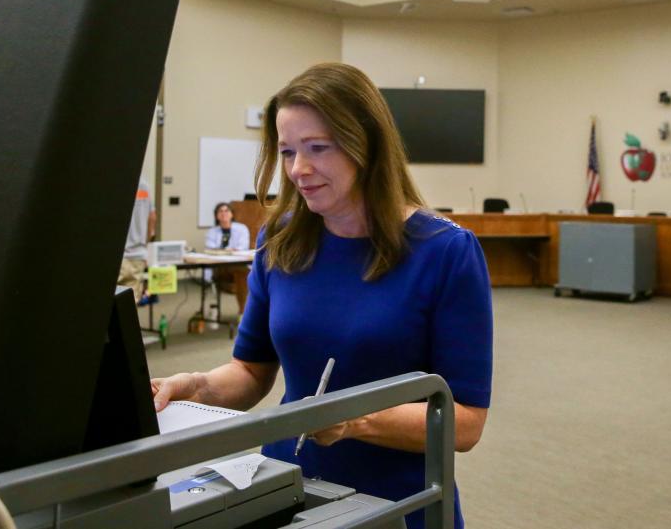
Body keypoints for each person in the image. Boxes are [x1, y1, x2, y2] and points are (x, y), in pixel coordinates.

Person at [151, 63, 492, 529]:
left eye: (317, 149)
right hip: (285, 487)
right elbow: (250, 370)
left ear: (365, 145)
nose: (297, 170)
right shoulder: (280, 238)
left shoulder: (445, 252)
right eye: (288, 151)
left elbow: (466, 422)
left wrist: (354, 421)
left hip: (395, 503)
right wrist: (195, 388)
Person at [204, 202, 251, 317]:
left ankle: (242, 311)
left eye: (226, 211)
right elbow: (210, 249)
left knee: (242, 272)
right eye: (220, 211)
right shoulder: (212, 232)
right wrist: (229, 250)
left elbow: (241, 248)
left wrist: (224, 250)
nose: (224, 213)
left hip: (237, 264)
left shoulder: (241, 229)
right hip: (218, 266)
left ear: (232, 214)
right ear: (216, 216)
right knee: (240, 272)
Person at [118, 176, 156, 303]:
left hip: (118, 255)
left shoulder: (114, 183)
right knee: (131, 302)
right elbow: (152, 217)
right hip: (138, 254)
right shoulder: (145, 185)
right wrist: (145, 245)